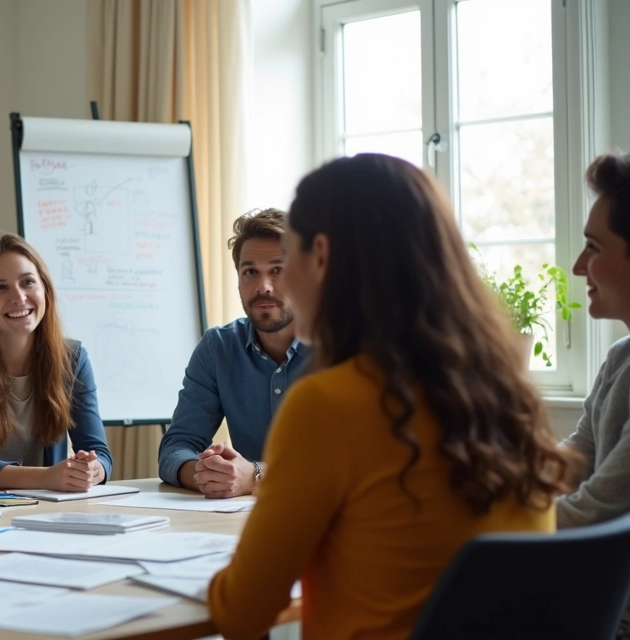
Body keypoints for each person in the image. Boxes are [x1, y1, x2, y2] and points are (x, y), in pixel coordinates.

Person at [208, 154, 571, 639]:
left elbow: (241, 614)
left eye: (288, 259)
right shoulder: (506, 395)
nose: (280, 282)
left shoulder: (328, 404)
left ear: (321, 255)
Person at [0, 232, 112, 490]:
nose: (19, 297)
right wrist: (47, 477)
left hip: (42, 505)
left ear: (45, 291)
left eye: (28, 282)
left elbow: (100, 453)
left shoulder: (73, 358)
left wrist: (93, 469)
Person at [158, 208, 309, 497]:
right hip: (241, 520)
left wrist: (255, 476)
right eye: (250, 271)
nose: (263, 287)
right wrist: (208, 474)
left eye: (278, 270)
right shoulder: (218, 347)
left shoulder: (344, 347)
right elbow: (175, 447)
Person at [557, 152, 630, 638]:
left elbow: (591, 514)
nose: (580, 265)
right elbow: (570, 462)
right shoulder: (621, 356)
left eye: (592, 247)